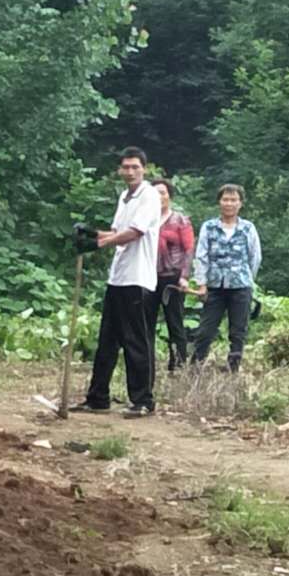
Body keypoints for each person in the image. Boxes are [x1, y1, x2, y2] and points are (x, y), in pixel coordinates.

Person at [73, 147, 162, 416]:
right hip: (118, 277)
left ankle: (143, 400)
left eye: (135, 167)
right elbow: (116, 231)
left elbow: (134, 232)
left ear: (144, 169)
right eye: (126, 167)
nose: (130, 172)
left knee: (136, 341)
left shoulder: (149, 196)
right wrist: (93, 234)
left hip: (138, 278)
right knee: (107, 340)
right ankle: (98, 396)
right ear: (120, 170)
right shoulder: (125, 197)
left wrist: (99, 244)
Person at [190, 184, 262, 372]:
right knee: (206, 331)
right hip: (214, 287)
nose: (229, 204)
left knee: (238, 332)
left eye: (233, 200)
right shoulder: (209, 227)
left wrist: (247, 279)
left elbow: (255, 257)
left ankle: (233, 370)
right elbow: (201, 256)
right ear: (219, 202)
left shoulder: (248, 228)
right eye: (225, 199)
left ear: (240, 204)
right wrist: (201, 282)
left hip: (241, 287)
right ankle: (194, 369)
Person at [147, 179, 195, 372]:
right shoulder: (146, 220)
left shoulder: (179, 220)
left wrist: (184, 276)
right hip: (148, 276)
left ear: (170, 196)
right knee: (146, 321)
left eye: (163, 193)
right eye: (155, 193)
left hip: (172, 278)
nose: (159, 197)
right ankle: (146, 363)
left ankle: (179, 363)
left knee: (174, 321)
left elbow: (189, 249)